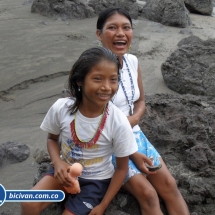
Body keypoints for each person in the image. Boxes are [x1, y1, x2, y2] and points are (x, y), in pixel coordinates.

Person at [21, 47, 144, 215]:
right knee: (29, 203)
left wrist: (102, 206)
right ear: (80, 80)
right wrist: (57, 163)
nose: (106, 87)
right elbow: (52, 139)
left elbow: (121, 169)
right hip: (64, 173)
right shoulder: (61, 108)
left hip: (96, 182)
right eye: (98, 79)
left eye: (113, 79)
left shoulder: (118, 121)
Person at [96, 7, 190, 215]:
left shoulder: (132, 61)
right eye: (112, 28)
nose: (121, 33)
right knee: (148, 194)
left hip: (135, 135)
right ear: (99, 34)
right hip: (105, 144)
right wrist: (131, 151)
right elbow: (93, 122)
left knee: (169, 184)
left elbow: (141, 101)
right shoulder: (92, 69)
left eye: (126, 28)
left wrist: (134, 119)